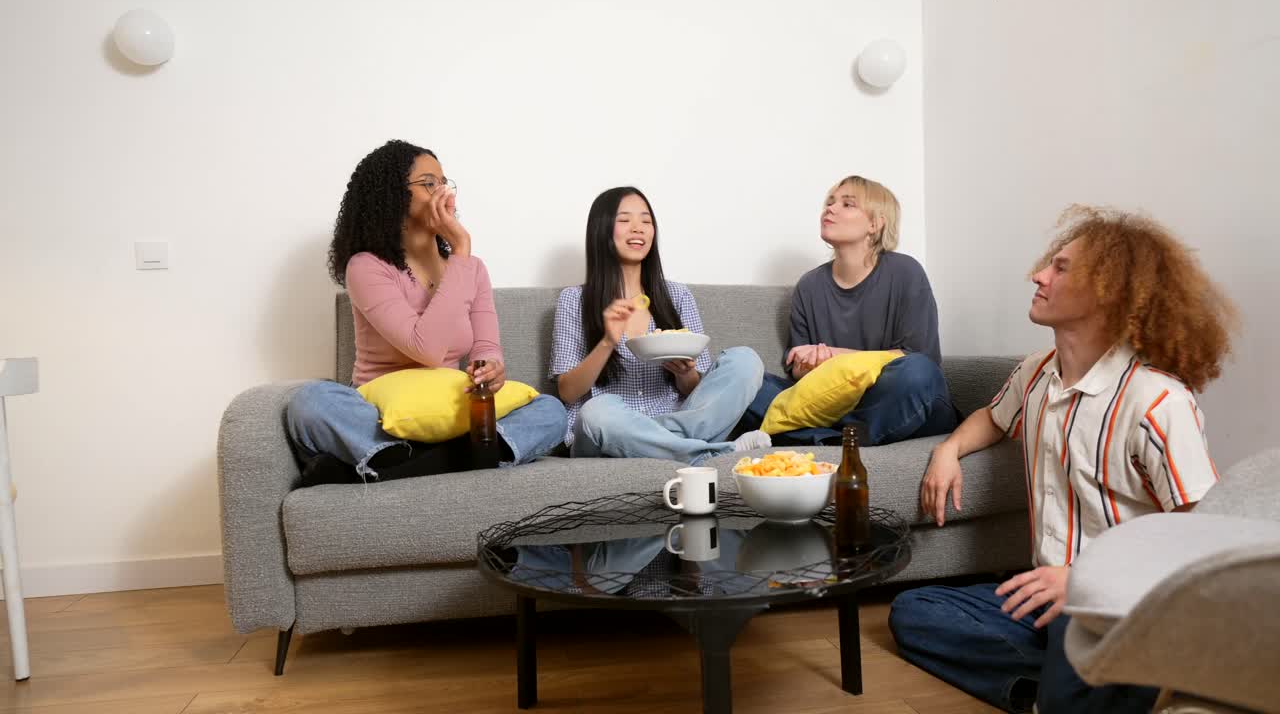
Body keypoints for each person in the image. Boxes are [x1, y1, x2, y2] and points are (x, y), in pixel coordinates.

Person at [888, 206, 1238, 713]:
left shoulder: (1157, 402)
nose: (1038, 275)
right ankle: (1060, 687)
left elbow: (1198, 535)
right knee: (916, 610)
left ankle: (1091, 679)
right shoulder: (1035, 372)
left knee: (1079, 644)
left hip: (1121, 601)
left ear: (1107, 293)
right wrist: (948, 450)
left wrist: (1081, 580)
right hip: (1048, 594)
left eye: (1060, 268)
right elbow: (992, 418)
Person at [286, 140, 567, 484]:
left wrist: (490, 368)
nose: (443, 192)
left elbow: (486, 346)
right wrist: (460, 251)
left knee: (550, 411)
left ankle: (400, 467)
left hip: (447, 411)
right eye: (429, 183)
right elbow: (428, 350)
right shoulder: (366, 267)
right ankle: (450, 458)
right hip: (380, 418)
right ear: (392, 195)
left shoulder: (472, 269)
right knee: (310, 401)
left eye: (445, 182)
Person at [550, 186, 769, 464]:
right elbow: (568, 392)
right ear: (602, 230)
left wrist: (685, 374)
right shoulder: (574, 300)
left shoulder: (677, 295)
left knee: (745, 360)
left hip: (675, 419)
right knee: (596, 413)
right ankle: (716, 452)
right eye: (624, 219)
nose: (638, 228)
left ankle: (666, 445)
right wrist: (607, 342)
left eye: (646, 220)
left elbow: (695, 392)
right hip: (611, 428)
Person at [742, 175, 957, 446]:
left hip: (898, 398)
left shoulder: (905, 272)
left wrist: (834, 356)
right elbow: (797, 372)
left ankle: (819, 437)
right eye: (829, 202)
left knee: (917, 372)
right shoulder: (809, 285)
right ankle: (842, 439)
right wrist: (808, 365)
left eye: (847, 204)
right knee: (745, 381)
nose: (830, 209)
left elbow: (918, 357)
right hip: (837, 406)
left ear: (875, 223)